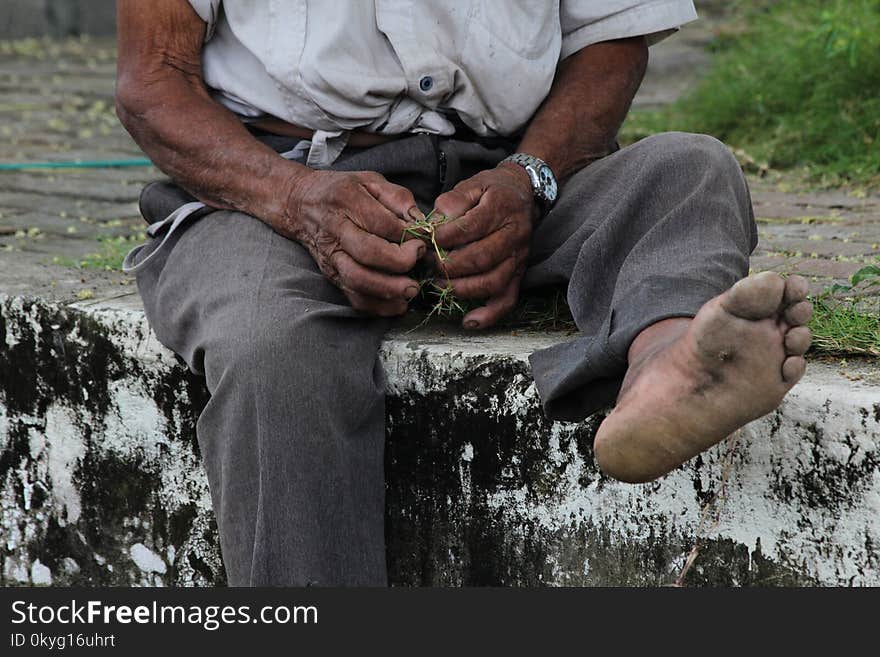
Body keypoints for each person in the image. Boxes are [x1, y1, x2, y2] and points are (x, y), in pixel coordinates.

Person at [115, 0, 813, 586]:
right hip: (275, 188)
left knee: (691, 170)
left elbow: (611, 40)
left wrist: (529, 179)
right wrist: (297, 200)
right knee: (272, 351)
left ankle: (667, 359)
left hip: (508, 174)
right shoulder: (283, 196)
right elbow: (152, 82)